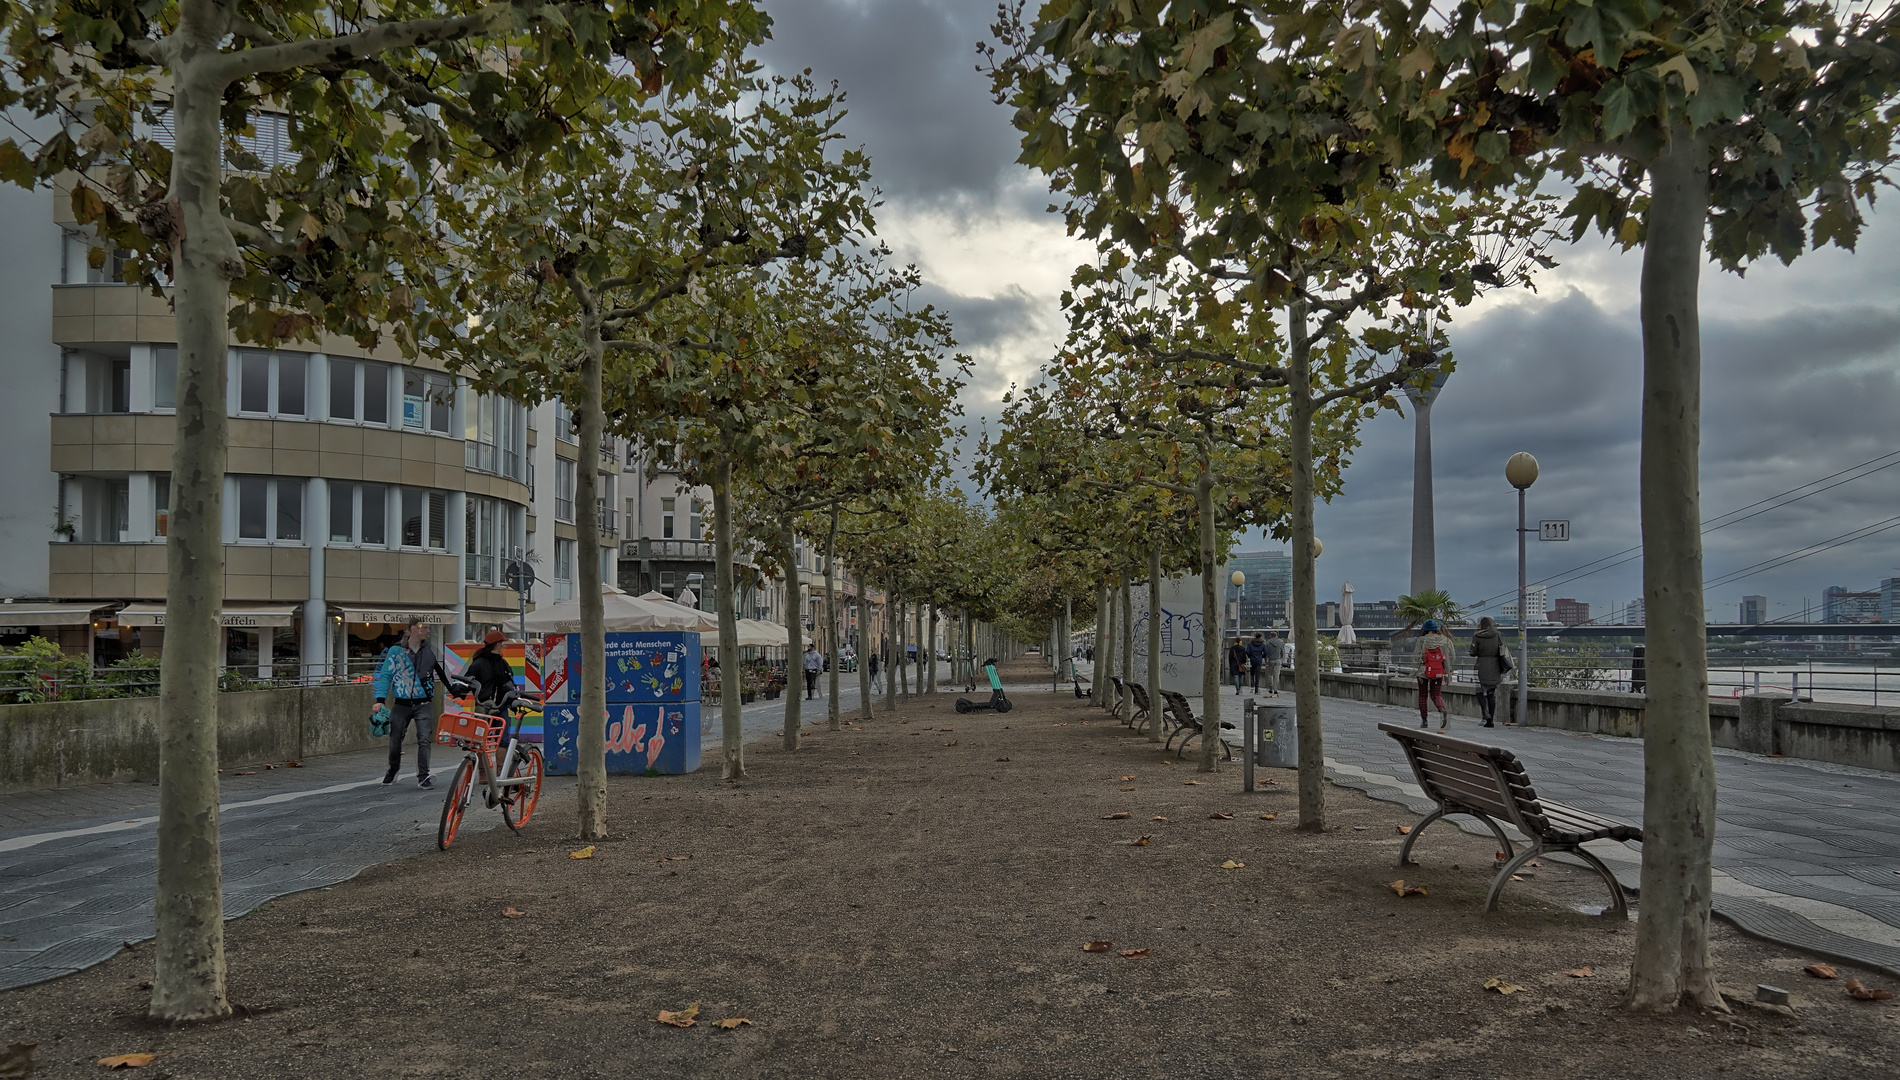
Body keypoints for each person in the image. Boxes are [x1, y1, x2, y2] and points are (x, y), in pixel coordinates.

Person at [371, 617, 453, 788]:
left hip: (424, 702)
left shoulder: (429, 650)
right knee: (395, 738)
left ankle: (423, 776)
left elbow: (441, 672)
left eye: (429, 628)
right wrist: (380, 700)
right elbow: (386, 675)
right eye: (424, 628)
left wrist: (453, 690)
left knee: (424, 739)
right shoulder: (396, 651)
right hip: (402, 703)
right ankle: (393, 769)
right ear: (411, 629)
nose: (427, 631)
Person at [1415, 619, 1456, 730]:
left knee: (1423, 696)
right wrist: (1447, 674)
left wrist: (1415, 671)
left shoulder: (1421, 640)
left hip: (1423, 671)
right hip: (1438, 671)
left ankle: (1424, 720)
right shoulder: (1444, 640)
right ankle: (1441, 709)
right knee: (1436, 694)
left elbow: (1416, 658)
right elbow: (1447, 660)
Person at [1469, 616, 1508, 727]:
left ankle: (1485, 713)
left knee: (1480, 691)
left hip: (1481, 666)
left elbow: (1473, 652)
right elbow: (1502, 649)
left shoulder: (1477, 636)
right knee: (1491, 693)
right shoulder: (1498, 635)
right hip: (1495, 666)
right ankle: (1490, 720)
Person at [465, 630, 515, 707]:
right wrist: (457, 694)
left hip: (502, 705)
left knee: (504, 719)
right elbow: (467, 680)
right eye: (503, 643)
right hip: (484, 705)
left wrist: (513, 698)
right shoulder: (479, 663)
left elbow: (508, 682)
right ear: (498, 645)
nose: (505, 646)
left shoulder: (503, 663)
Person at [1262, 631, 1286, 696]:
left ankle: (1271, 687)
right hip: (1278, 660)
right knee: (1276, 675)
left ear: (1270, 636)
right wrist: (1282, 660)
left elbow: (1266, 653)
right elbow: (1283, 652)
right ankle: (1275, 689)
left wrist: (1266, 661)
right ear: (1276, 635)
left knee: (1269, 675)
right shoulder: (1281, 642)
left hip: (1270, 660)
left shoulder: (1268, 642)